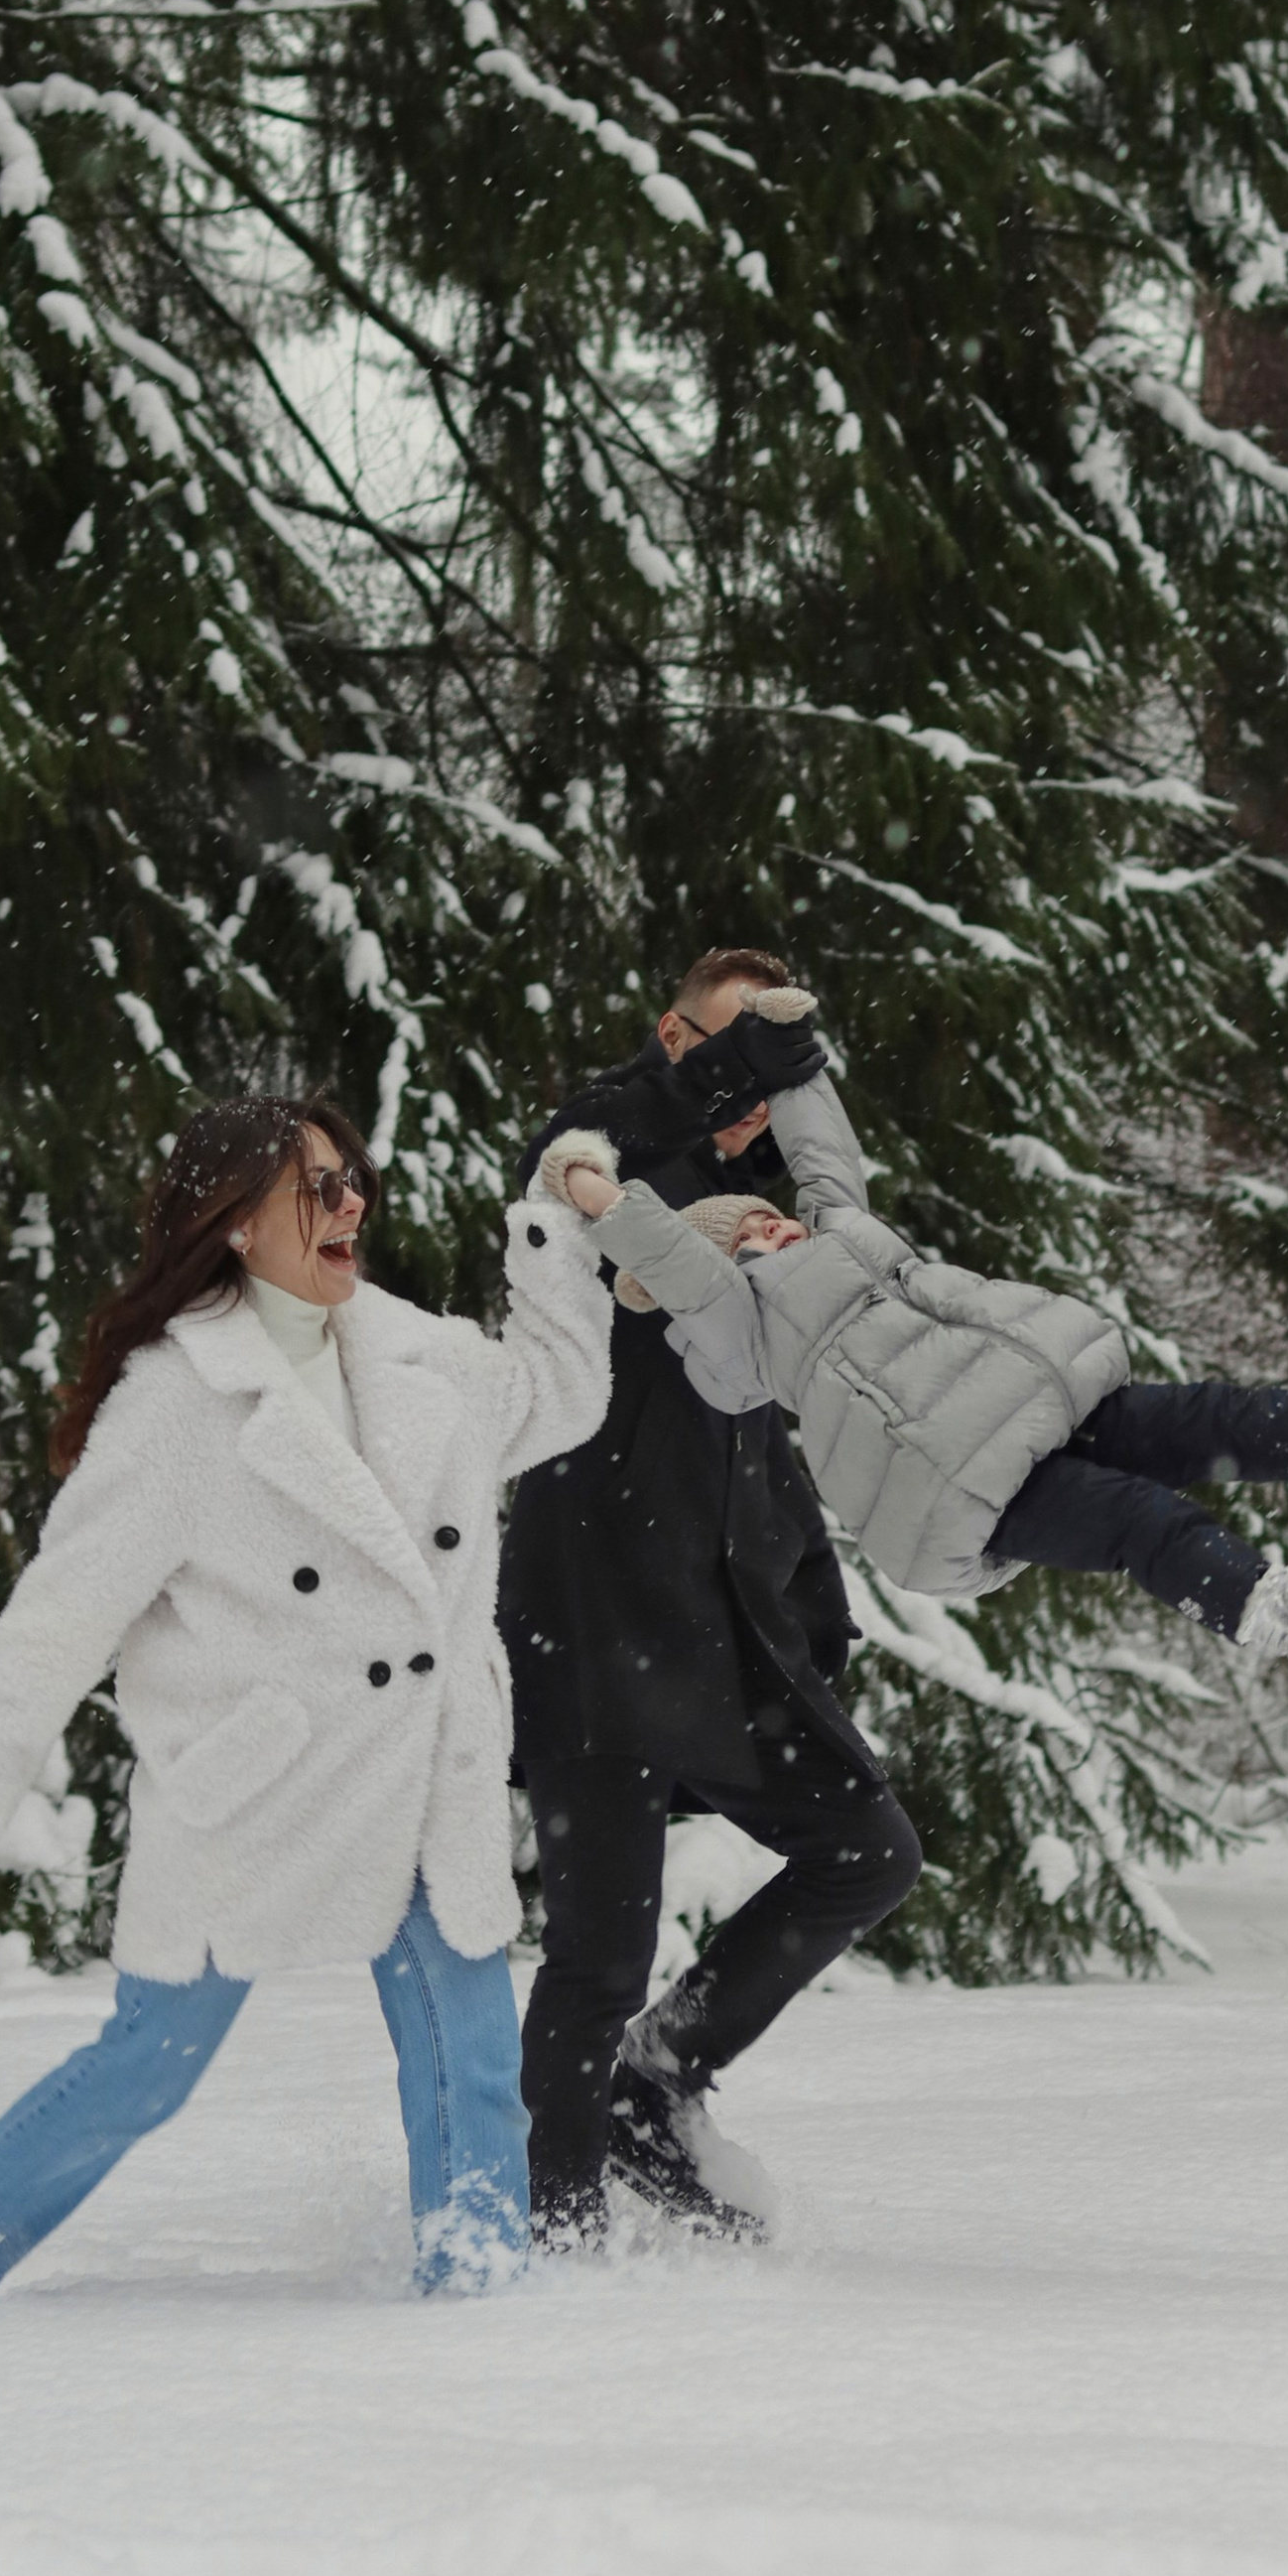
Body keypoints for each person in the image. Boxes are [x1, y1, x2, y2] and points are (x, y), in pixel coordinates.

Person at [0, 1090, 613, 2321]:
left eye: (353, 1179)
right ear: (236, 1222)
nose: (352, 1201)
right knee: (149, 2064)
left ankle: (477, 2300)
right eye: (318, 1186)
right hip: (256, 1793)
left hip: (420, 1770)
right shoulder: (175, 1405)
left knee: (474, 2059)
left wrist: (558, 1227)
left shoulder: (424, 1363)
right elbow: (59, 1615)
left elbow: (561, 1390)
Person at [564, 987, 1288, 1695]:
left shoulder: (837, 1226)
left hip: (1040, 1397)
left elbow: (824, 1155)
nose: (779, 1231)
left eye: (772, 1220)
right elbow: (678, 1266)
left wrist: (787, 1058)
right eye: (753, 1235)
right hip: (960, 1478)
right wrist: (599, 1197)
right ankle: (1285, 1617)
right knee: (1140, 1520)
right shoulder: (741, 1328)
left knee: (1205, 1417)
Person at [502, 950, 921, 2254]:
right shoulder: (584, 1164)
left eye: (774, 1074)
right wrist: (757, 1067)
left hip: (728, 1626)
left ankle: (656, 2081)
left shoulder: (755, 1205)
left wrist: (810, 1585)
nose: (750, 1099)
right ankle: (557, 2235)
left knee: (867, 1851)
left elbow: (753, 1429)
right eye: (731, 1060)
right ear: (673, 1039)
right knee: (595, 1958)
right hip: (598, 1615)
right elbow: (603, 1154)